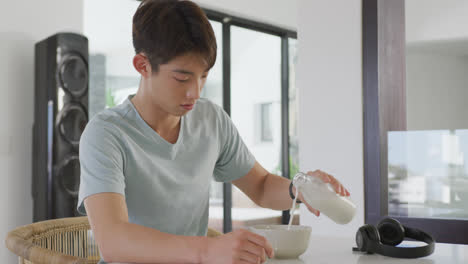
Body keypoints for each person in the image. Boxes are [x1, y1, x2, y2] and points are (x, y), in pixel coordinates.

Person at [77, 0, 351, 263]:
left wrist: (298, 189)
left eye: (203, 76)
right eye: (182, 78)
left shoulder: (211, 120)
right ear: (142, 65)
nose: (194, 92)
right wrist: (208, 251)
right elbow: (113, 240)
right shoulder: (106, 134)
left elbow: (261, 186)